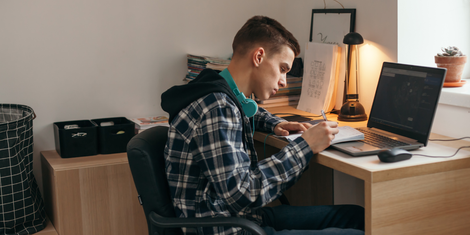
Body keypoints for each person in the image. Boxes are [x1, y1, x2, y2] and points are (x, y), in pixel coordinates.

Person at [161, 15, 364, 235]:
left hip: (238, 218)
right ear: (259, 56)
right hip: (228, 228)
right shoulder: (216, 108)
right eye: (283, 68)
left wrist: (277, 123)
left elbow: (246, 107)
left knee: (356, 216)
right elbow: (243, 193)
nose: (284, 81)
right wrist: (305, 146)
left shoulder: (213, 88)